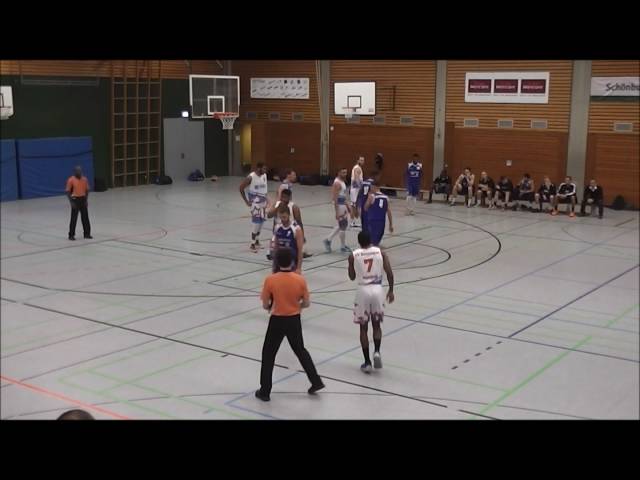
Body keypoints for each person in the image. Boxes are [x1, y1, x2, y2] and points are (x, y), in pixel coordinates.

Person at [256, 248, 324, 401]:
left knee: (268, 354)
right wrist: (295, 306)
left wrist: (273, 304)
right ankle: (316, 381)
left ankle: (265, 391)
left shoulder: (270, 280)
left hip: (277, 320)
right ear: (292, 261)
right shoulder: (300, 280)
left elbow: (265, 305)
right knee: (300, 350)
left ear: (277, 262)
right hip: (294, 319)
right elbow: (306, 303)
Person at [348, 230, 395, 373]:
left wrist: (351, 264)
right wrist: (391, 290)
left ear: (359, 242)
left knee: (363, 328)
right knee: (376, 325)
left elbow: (351, 276)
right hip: (377, 290)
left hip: (363, 291)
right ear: (371, 240)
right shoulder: (381, 252)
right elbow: (389, 273)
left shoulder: (354, 255)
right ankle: (377, 351)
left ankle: (367, 362)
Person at [266, 188, 312, 260]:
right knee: (272, 254)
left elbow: (299, 222)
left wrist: (302, 235)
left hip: (291, 231)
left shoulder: (294, 207)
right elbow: (269, 215)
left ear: (289, 197)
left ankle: (299, 252)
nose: (284, 199)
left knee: (295, 250)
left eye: (285, 197)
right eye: (282, 197)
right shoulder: (276, 204)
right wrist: (277, 208)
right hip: (279, 231)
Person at [239, 163, 270, 252]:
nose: (265, 170)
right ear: (258, 168)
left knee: (261, 222)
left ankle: (257, 240)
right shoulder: (251, 177)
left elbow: (264, 189)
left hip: (263, 202)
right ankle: (252, 244)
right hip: (255, 203)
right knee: (256, 223)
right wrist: (246, 201)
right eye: (263, 168)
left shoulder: (264, 175)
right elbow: (241, 188)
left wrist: (267, 199)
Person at [323, 168, 351, 253]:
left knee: (341, 225)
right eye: (343, 172)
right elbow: (335, 198)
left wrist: (347, 205)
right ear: (338, 173)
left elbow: (343, 195)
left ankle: (328, 240)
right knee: (343, 225)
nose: (345, 174)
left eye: (346, 172)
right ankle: (342, 246)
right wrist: (337, 212)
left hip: (343, 205)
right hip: (340, 206)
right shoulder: (337, 183)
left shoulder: (342, 182)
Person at [270, 204, 304, 274]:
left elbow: (300, 250)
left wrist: (299, 268)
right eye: (281, 217)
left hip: (292, 262)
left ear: (289, 215)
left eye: (284, 217)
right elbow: (276, 248)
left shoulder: (296, 229)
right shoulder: (277, 227)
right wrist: (273, 267)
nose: (282, 219)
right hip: (279, 263)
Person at [364, 180, 394, 247]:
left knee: (372, 241)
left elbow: (365, 208)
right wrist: (390, 224)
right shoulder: (386, 197)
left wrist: (368, 198)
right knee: (377, 240)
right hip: (382, 222)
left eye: (371, 187)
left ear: (373, 187)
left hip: (372, 221)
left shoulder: (372, 196)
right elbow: (389, 212)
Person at [66, 166, 92, 241]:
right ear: (75, 172)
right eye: (77, 171)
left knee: (85, 217)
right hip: (75, 199)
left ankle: (87, 234)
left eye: (80, 171)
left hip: (83, 199)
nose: (79, 172)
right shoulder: (71, 180)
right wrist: (71, 202)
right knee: (74, 218)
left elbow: (87, 190)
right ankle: (71, 235)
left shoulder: (84, 179)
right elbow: (68, 191)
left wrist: (86, 200)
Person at [350, 156, 365, 227]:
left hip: (356, 190)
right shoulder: (357, 168)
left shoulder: (358, 168)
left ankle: (355, 221)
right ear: (358, 160)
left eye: (363, 160)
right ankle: (353, 222)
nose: (362, 161)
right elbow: (356, 179)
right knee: (354, 206)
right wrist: (360, 187)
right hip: (355, 190)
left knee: (357, 206)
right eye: (361, 160)